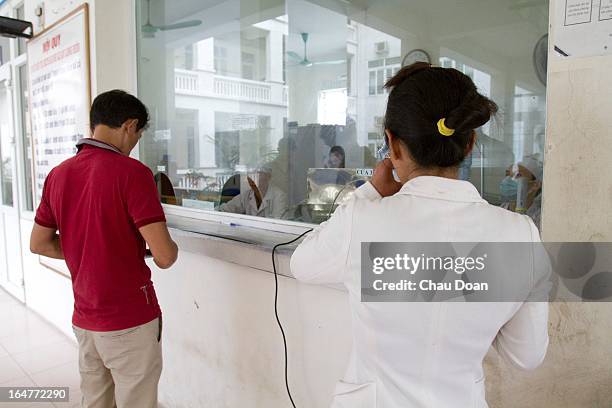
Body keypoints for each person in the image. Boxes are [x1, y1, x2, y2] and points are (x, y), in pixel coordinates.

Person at [290, 63, 549, 407]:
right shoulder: (519, 236)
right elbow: (526, 356)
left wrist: (369, 193)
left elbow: (302, 264)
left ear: (392, 144)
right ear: (470, 142)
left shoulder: (363, 220)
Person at [30, 90, 178, 408]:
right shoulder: (132, 173)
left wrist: (89, 251)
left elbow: (39, 243)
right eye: (137, 135)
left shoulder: (58, 175)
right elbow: (165, 256)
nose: (134, 143)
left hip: (85, 318)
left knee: (95, 400)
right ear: (129, 125)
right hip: (130, 319)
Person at [218, 164, 288, 218]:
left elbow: (278, 223)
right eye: (251, 174)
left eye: (258, 173)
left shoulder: (279, 196)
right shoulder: (247, 195)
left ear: (268, 177)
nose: (253, 177)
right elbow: (226, 209)